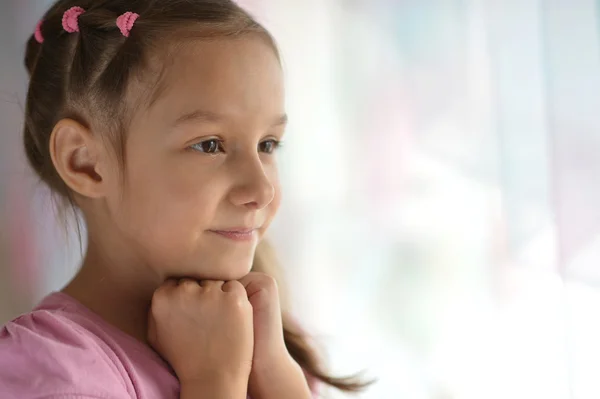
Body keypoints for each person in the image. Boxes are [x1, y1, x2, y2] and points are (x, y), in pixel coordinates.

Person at [0, 1, 369, 398]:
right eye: (210, 145)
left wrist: (275, 374)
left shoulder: (269, 341)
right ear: (86, 162)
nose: (261, 190)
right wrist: (214, 382)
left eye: (268, 144)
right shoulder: (49, 369)